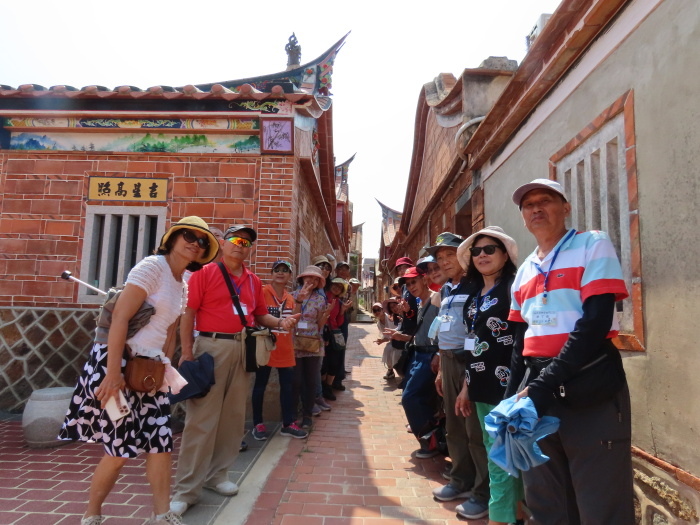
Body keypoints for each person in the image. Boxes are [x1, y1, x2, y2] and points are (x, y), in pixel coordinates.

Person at [60, 216, 219, 525]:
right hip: (118, 362)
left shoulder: (181, 284)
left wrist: (165, 365)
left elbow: (169, 331)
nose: (195, 243)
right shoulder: (151, 268)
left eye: (202, 241)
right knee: (118, 449)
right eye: (189, 235)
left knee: (160, 442)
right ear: (172, 238)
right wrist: (112, 373)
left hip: (150, 370)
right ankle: (91, 514)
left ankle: (163, 514)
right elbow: (119, 318)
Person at [506, 179, 633, 524]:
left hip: (590, 384)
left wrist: (545, 383)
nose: (536, 209)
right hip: (538, 393)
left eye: (545, 200)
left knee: (600, 505)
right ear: (523, 217)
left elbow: (595, 323)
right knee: (547, 503)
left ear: (565, 208)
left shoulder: (592, 244)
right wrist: (509, 398)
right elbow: (521, 341)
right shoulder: (523, 271)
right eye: (528, 205)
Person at [170, 225, 298, 517]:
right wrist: (187, 351)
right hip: (210, 347)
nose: (240, 246)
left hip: (242, 349)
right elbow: (188, 312)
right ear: (223, 243)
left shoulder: (253, 281)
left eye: (246, 242)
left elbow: (257, 315)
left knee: (232, 417)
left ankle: (218, 476)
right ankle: (186, 489)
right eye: (235, 240)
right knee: (201, 419)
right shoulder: (205, 273)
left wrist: (280, 323)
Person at [453, 226, 522, 523]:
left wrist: (522, 387)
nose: (482, 255)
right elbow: (471, 343)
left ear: (505, 255)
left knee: (501, 458)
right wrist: (466, 386)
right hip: (480, 387)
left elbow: (524, 339)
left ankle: (499, 517)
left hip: (510, 389)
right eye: (476, 251)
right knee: (501, 455)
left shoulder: (514, 289)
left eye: (489, 249)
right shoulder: (473, 298)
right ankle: (515, 515)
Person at [429, 232, 489, 508]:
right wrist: (442, 366)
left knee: (474, 428)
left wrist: (468, 367)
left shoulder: (478, 285)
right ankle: (460, 479)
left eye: (449, 255)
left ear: (464, 255)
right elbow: (444, 328)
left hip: (471, 361)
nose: (444, 262)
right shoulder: (445, 290)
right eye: (439, 258)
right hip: (449, 360)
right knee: (454, 425)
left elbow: (476, 330)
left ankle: (481, 490)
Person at [251, 260, 308, 441]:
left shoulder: (290, 298)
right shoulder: (262, 292)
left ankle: (287, 423)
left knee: (288, 387)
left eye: (285, 270)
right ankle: (258, 423)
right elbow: (257, 315)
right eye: (277, 270)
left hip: (285, 348)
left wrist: (299, 301)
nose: (281, 273)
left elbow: (293, 321)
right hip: (265, 347)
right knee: (260, 386)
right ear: (272, 273)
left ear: (290, 276)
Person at [398, 267, 440, 459]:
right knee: (421, 398)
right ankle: (433, 439)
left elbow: (447, 328)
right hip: (418, 354)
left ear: (424, 279)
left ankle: (429, 441)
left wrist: (439, 353)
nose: (411, 287)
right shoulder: (419, 302)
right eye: (408, 284)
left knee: (410, 397)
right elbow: (420, 330)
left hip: (431, 356)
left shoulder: (437, 299)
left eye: (413, 282)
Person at [291, 265, 331, 429]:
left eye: (316, 279)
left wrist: (326, 314)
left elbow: (320, 325)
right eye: (309, 278)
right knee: (296, 380)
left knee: (310, 381)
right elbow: (291, 316)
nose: (312, 281)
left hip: (314, 342)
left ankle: (307, 415)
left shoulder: (320, 299)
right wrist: (300, 300)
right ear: (302, 278)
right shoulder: (292, 295)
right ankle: (293, 415)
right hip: (295, 343)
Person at [322, 278, 351, 400]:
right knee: (323, 363)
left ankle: (328, 386)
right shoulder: (323, 298)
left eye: (339, 287)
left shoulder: (339, 302)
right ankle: (322, 387)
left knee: (333, 362)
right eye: (335, 285)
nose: (336, 288)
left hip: (333, 334)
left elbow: (339, 323)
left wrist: (342, 311)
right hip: (322, 332)